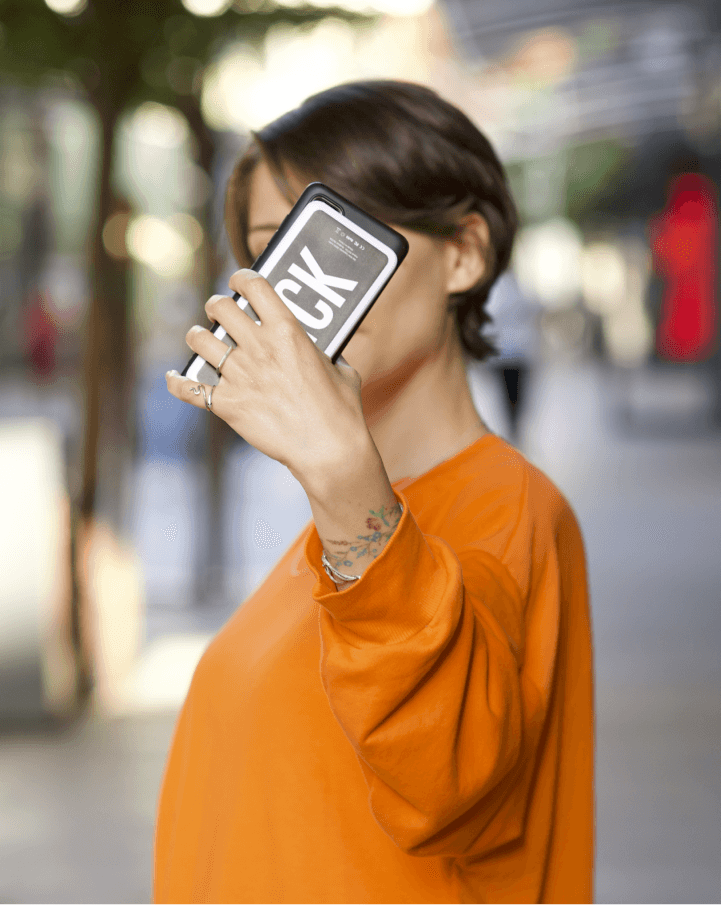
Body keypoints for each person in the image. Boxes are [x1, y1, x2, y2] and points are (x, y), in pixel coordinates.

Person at [159, 81, 593, 904]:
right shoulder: (333, 526)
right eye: (270, 248)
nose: (306, 284)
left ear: (463, 253)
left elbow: (446, 771)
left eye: (335, 235)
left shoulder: (511, 509)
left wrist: (341, 479)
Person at [484, 269, 541, 442]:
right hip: (510, 354)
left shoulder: (509, 289)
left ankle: (514, 428)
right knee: (513, 395)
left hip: (513, 353)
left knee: (512, 395)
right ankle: (513, 428)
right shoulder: (509, 289)